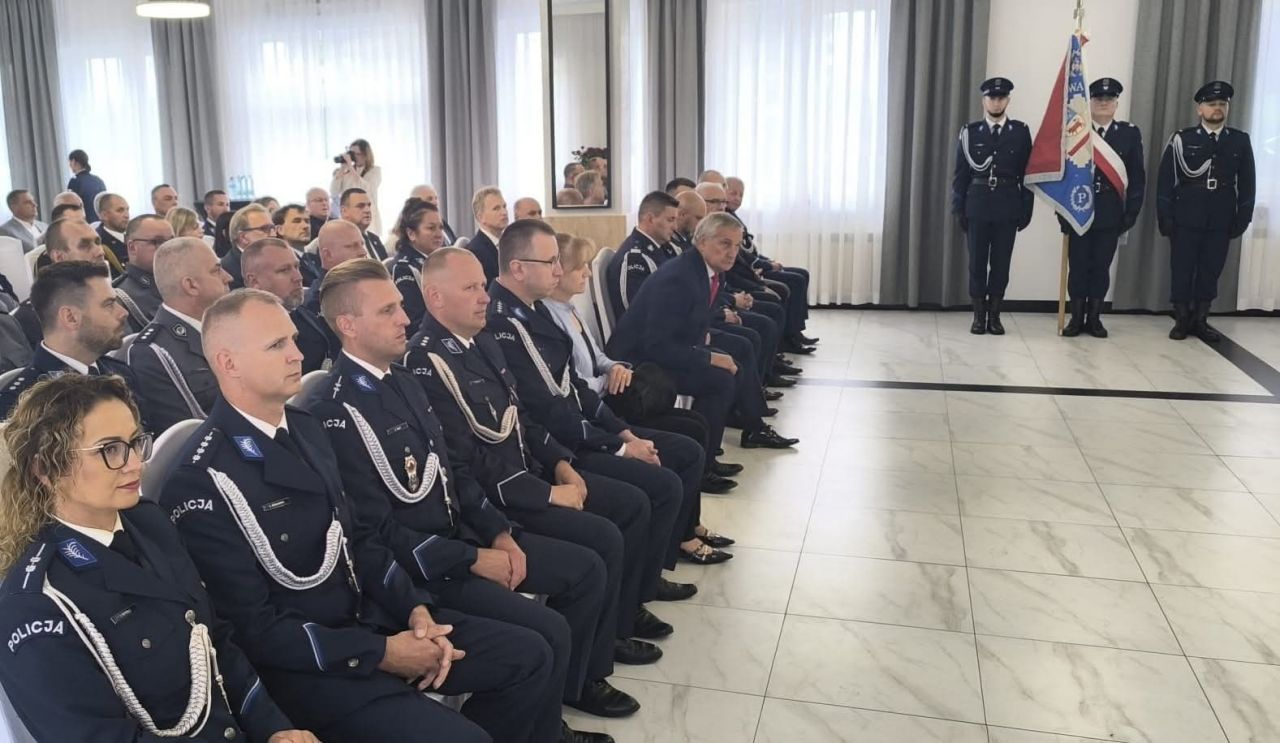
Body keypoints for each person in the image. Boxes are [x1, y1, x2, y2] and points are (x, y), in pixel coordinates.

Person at [161, 288, 555, 743]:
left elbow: (358, 539)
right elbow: (255, 629)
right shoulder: (202, 480)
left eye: (293, 340)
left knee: (530, 655)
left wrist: (414, 610)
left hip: (373, 618)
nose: (298, 354)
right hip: (313, 667)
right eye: (276, 345)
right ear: (228, 363)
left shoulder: (305, 429)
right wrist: (381, 653)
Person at [306, 259, 624, 740]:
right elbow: (373, 532)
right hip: (419, 573)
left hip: (459, 543)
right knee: (542, 639)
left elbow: (452, 471)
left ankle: (547, 727)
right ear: (348, 325)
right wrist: (472, 559)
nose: (406, 318)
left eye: (400, 306)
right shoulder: (334, 411)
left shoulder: (402, 381)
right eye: (388, 310)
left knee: (563, 607)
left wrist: (499, 532)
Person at [0, 374, 320, 742]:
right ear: (45, 469)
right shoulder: (36, 603)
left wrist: (275, 729)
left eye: (136, 443)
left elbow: (214, 639)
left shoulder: (149, 523)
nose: (135, 463)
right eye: (110, 450)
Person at [405, 248, 668, 667]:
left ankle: (613, 628)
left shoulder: (481, 341)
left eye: (483, 285)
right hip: (500, 499)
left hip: (529, 475)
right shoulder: (425, 362)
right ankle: (589, 671)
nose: (485, 297)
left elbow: (521, 419)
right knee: (599, 544)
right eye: (471, 288)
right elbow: (467, 461)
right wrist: (547, 494)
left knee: (630, 506)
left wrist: (562, 464)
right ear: (435, 297)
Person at [486, 220, 703, 609]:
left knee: (678, 458)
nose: (558, 270)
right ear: (518, 268)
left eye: (559, 261)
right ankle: (630, 605)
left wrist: (624, 435)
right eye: (551, 262)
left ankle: (641, 587)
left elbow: (574, 387)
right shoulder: (505, 322)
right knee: (648, 493)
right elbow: (547, 408)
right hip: (553, 449)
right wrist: (618, 447)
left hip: (571, 433)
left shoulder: (535, 312)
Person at [547, 234, 739, 549]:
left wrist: (615, 367)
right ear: (558, 273)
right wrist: (608, 380)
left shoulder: (569, 309)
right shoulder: (551, 319)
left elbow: (598, 357)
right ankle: (684, 538)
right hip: (598, 409)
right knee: (687, 443)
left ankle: (690, 526)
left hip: (610, 392)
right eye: (580, 267)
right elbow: (573, 382)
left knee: (695, 425)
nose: (587, 273)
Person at [607, 212, 799, 456]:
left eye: (737, 245)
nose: (732, 253)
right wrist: (708, 357)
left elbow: (690, 321)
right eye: (725, 243)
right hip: (637, 365)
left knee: (733, 365)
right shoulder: (678, 278)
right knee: (719, 380)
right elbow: (656, 346)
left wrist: (705, 343)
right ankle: (704, 459)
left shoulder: (708, 270)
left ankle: (743, 434)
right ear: (702, 241)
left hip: (669, 349)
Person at [1157, 80, 1255, 343]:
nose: (1217, 108)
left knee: (1211, 269)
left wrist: (1244, 216)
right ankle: (1181, 319)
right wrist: (1164, 215)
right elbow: (1165, 180)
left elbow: (1248, 183)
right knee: (1182, 268)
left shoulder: (1239, 140)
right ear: (1200, 109)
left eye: (1222, 104)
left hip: (1221, 216)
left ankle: (1200, 320)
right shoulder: (1182, 139)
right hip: (1186, 215)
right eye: (1211, 104)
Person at [1060, 78, 1146, 338]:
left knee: (1100, 267)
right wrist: (1062, 212)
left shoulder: (1129, 134)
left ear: (1116, 103)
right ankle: (1076, 318)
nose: (1104, 103)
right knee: (1078, 266)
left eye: (1109, 99)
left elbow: (1137, 177)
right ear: (1090, 102)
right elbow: (1063, 175)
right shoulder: (1076, 131)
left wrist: (1131, 212)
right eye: (1098, 99)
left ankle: (1095, 318)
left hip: (1110, 211)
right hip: (1079, 209)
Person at [0, 261, 141, 420]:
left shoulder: (120, 371)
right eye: (109, 304)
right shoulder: (21, 405)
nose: (123, 312)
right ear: (71, 317)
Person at [951, 77, 1034, 335]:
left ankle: (995, 316)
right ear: (983, 100)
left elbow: (1028, 175)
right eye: (991, 97)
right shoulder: (970, 132)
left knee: (1000, 264)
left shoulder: (1020, 132)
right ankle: (978, 317)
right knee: (977, 263)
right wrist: (958, 207)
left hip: (1008, 206)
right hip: (977, 205)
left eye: (1001, 98)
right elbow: (960, 175)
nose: (996, 102)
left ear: (1008, 100)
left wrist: (1026, 209)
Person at [128, 237, 230, 433]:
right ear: (191, 285)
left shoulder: (229, 325)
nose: (228, 277)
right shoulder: (153, 352)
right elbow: (186, 433)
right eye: (217, 270)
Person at [725, 176, 818, 348]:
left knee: (802, 274)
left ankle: (796, 330)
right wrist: (766, 266)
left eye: (741, 195)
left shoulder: (733, 217)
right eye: (733, 193)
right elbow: (742, 258)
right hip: (747, 273)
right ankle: (788, 337)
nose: (737, 198)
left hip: (753, 267)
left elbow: (749, 249)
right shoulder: (723, 222)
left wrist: (767, 260)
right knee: (793, 281)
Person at [242, 237, 337, 373]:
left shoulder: (303, 312)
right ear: (254, 281)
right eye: (284, 270)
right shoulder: (250, 334)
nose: (298, 277)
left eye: (297, 267)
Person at [13, 218, 108, 346]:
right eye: (84, 245)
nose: (100, 252)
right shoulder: (33, 316)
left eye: (98, 242)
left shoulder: (114, 296)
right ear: (59, 257)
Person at [390, 197, 448, 328]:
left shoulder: (439, 260)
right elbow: (414, 320)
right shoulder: (405, 268)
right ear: (411, 234)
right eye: (431, 228)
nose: (439, 234)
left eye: (440, 228)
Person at [114, 214, 174, 332]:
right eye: (157, 242)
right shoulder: (122, 298)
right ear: (132, 247)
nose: (168, 248)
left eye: (171, 241)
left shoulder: (181, 283)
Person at [302, 220, 370, 312]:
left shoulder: (368, 285)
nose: (363, 252)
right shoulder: (319, 302)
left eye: (362, 244)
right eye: (352, 246)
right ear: (328, 255)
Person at [330, 138, 383, 234]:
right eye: (351, 154)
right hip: (349, 216)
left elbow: (365, 189)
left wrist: (351, 167)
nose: (353, 157)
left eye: (357, 154)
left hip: (366, 217)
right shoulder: (346, 172)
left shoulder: (375, 171)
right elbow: (334, 191)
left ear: (366, 155)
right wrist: (342, 169)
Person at [222, 204, 277, 290]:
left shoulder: (276, 259)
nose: (273, 235)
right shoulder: (229, 270)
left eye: (272, 228)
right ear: (243, 237)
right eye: (265, 229)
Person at [273, 203, 322, 286]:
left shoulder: (316, 258)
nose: (305, 226)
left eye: (307, 221)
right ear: (280, 229)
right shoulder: (279, 263)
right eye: (297, 221)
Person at [468, 186, 508, 285]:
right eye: (496, 208)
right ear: (480, 217)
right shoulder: (475, 252)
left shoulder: (510, 244)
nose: (504, 212)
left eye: (504, 206)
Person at [339, 188, 386, 261]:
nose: (367, 210)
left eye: (369, 205)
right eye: (360, 206)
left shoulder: (374, 239)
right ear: (344, 211)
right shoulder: (337, 240)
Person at [66, 150, 106, 222]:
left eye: (70, 162)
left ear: (74, 161)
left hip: (84, 222)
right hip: (101, 221)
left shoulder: (74, 181)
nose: (69, 165)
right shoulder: (98, 180)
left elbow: (71, 205)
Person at [0, 189, 46, 253]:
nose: (35, 205)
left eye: (33, 201)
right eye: (28, 202)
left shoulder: (45, 226)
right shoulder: (5, 231)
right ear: (13, 207)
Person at [95, 192, 131, 263]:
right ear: (104, 215)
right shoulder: (98, 243)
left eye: (127, 210)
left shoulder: (135, 233)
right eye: (120, 210)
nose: (127, 215)